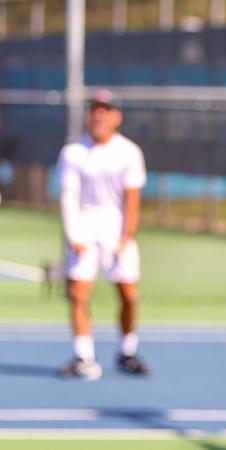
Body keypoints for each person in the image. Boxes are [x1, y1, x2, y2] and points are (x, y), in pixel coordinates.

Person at [57, 89, 149, 380]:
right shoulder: (72, 152)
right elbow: (69, 197)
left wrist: (125, 237)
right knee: (77, 294)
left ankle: (127, 351)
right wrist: (74, 235)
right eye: (94, 108)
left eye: (105, 109)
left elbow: (132, 198)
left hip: (116, 232)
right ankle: (84, 357)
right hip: (84, 231)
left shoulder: (129, 152)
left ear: (115, 117)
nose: (98, 114)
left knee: (129, 295)